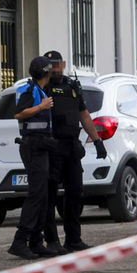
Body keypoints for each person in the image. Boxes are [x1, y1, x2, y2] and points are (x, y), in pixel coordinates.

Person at [41, 50, 108, 252]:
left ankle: (73, 239)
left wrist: (97, 140)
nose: (53, 68)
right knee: (49, 196)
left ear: (63, 64)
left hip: (71, 147)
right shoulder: (41, 87)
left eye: (56, 64)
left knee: (75, 193)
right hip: (52, 147)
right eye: (49, 64)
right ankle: (52, 241)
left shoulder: (71, 86)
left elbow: (84, 115)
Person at [8, 56, 59, 260]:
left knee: (43, 195)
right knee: (36, 194)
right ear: (46, 73)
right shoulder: (30, 90)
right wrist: (41, 107)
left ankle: (36, 241)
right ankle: (20, 241)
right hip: (33, 147)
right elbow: (19, 114)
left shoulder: (39, 90)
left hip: (41, 146)